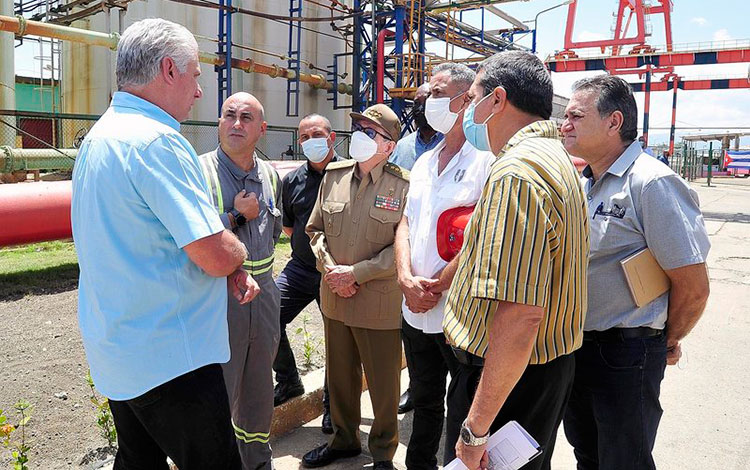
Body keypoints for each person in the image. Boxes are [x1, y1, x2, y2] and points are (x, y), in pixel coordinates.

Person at [71, 19, 257, 470]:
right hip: (173, 361)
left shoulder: (100, 137)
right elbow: (214, 253)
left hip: (120, 349)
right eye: (196, 75)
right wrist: (238, 254)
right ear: (169, 70)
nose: (198, 92)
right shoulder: (157, 142)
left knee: (139, 460)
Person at [442, 50, 589, 470]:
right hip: (537, 372)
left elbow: (521, 313)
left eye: (471, 98)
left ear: (497, 100)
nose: (467, 110)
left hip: (507, 379)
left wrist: (475, 429)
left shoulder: (517, 173)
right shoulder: (555, 158)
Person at [561, 74, 711, 470]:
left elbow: (693, 286)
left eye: (576, 115)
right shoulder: (584, 182)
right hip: (579, 345)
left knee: (624, 460)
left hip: (626, 351)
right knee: (588, 454)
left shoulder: (651, 182)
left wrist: (667, 338)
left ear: (613, 122)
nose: (565, 124)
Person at [394, 62, 495, 470]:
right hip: (412, 308)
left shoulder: (486, 160)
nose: (427, 102)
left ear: (464, 99)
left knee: (462, 408)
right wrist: (404, 278)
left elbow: (483, 235)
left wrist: (435, 285)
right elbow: (405, 222)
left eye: (436, 94)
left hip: (456, 312)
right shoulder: (423, 160)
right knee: (423, 400)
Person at [302, 104, 409, 470]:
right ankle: (344, 440)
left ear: (389, 146)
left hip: (377, 303)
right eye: (359, 128)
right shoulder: (333, 175)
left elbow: (404, 249)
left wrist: (356, 274)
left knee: (382, 385)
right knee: (340, 379)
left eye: (371, 131)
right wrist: (331, 268)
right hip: (335, 298)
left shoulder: (404, 185)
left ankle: (382, 452)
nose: (361, 135)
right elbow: (314, 231)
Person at [199, 92, 282, 470]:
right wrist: (235, 214)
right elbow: (189, 236)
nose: (236, 124)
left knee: (259, 387)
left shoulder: (270, 175)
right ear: (218, 122)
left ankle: (257, 460)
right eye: (229, 115)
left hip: (263, 295)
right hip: (219, 297)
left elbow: (277, 229)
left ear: (261, 129)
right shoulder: (199, 173)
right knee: (218, 387)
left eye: (246, 118)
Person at [273, 113, 339, 434]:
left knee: (339, 340)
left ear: (331, 136)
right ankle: (288, 382)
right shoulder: (292, 181)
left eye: (317, 134)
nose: (310, 141)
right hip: (300, 268)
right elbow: (288, 226)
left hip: (336, 272)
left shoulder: (349, 175)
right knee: (266, 314)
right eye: (303, 137)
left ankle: (333, 404)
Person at [389, 83, 443, 171]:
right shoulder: (402, 146)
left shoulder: (450, 143)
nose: (420, 109)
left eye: (426, 102)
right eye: (416, 103)